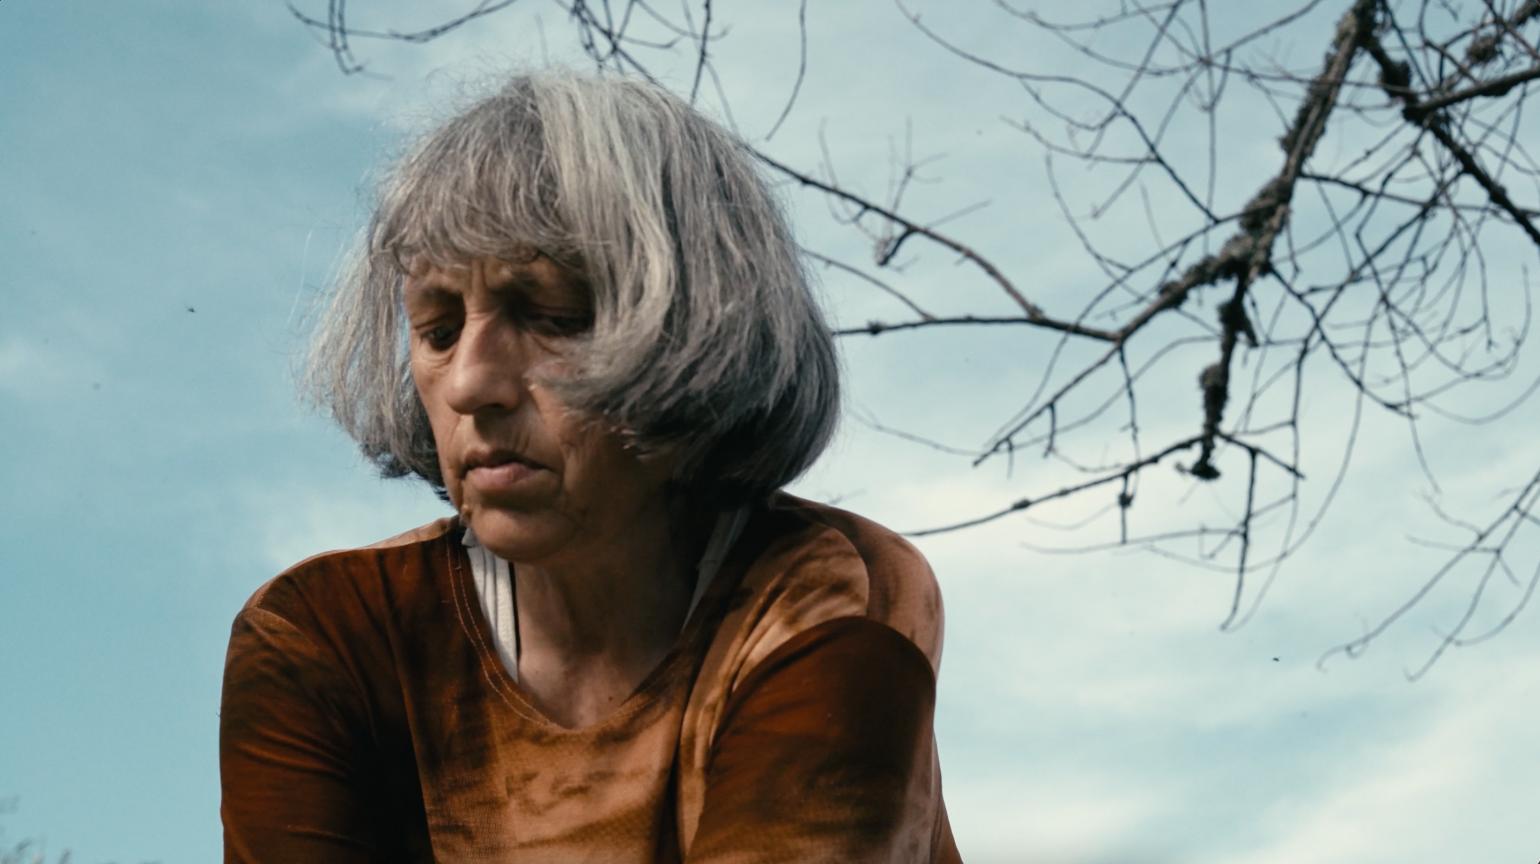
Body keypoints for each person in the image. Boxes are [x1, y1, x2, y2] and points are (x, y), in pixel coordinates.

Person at [219, 70, 961, 863]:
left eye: (553, 317)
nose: (469, 383)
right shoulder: (331, 635)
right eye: (437, 330)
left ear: (696, 330)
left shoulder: (825, 594)